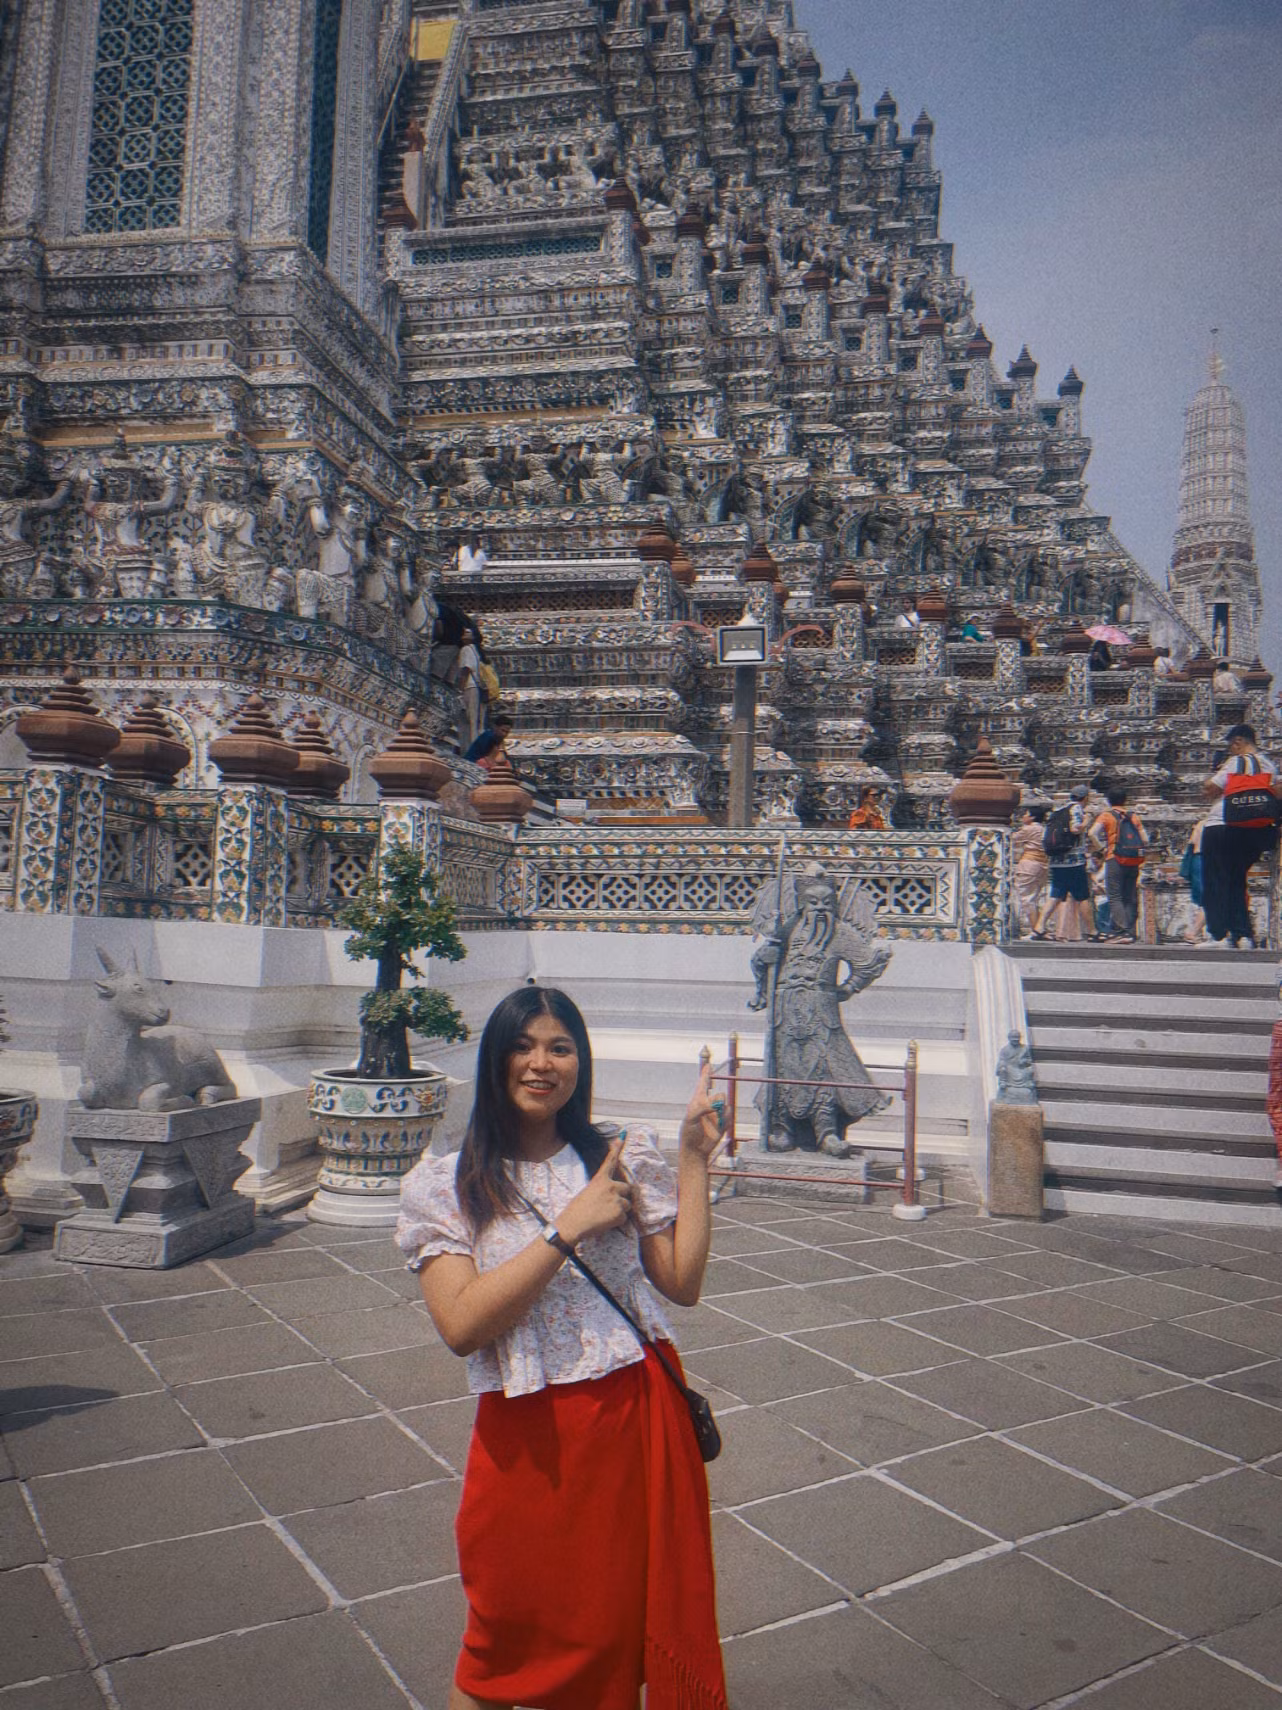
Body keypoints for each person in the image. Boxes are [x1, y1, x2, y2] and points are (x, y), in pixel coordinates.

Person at [396, 986, 729, 1710]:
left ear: (581, 1061)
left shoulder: (618, 1157)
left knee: (607, 1640)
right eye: (522, 1046)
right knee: (498, 1641)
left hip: (632, 1418)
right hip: (526, 1436)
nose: (540, 1063)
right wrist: (567, 1228)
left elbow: (681, 1284)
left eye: (560, 1047)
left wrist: (693, 1160)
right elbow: (461, 1326)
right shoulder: (447, 1183)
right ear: (495, 1059)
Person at [1200, 722, 1280, 949]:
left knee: (1215, 881)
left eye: (1231, 746)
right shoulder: (1268, 764)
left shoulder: (1235, 762)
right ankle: (1242, 934)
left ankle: (1219, 934)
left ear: (1238, 742)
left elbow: (1210, 788)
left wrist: (1212, 778)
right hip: (1255, 830)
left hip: (1223, 826)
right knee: (1236, 880)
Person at [1033, 783, 1095, 940]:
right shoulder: (1076, 809)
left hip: (1056, 860)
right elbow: (1075, 829)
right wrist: (1087, 821)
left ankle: (1039, 927)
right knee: (1082, 896)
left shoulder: (1059, 810)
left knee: (1056, 894)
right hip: (1073, 861)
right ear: (1085, 797)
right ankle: (1092, 931)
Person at [1088, 784, 1149, 943]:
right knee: (1129, 895)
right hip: (1133, 860)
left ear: (1109, 800)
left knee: (1115, 895)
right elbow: (1145, 840)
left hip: (1114, 858)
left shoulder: (1106, 816)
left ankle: (1122, 931)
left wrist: (1102, 849)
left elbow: (1092, 833)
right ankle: (1130, 931)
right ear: (1125, 800)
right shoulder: (1133, 816)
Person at [1012, 805, 1050, 936]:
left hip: (1029, 864)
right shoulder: (1044, 829)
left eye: (1026, 814)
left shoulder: (1029, 829)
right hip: (1042, 864)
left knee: (1027, 899)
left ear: (1032, 817)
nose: (1023, 817)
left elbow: (1011, 838)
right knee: (1035, 898)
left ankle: (1036, 931)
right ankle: (1040, 928)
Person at [1180, 815, 1209, 944]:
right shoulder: (1212, 824)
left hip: (1196, 860)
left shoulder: (1201, 824)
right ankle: (1194, 932)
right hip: (1206, 859)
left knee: (1198, 899)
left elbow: (1191, 844)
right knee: (1208, 899)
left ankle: (1194, 931)